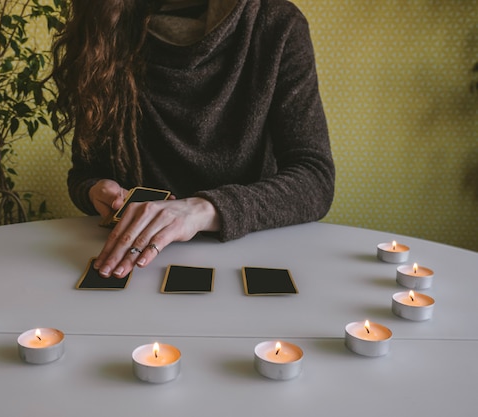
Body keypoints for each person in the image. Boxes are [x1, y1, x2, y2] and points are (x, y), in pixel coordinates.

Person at [51, 0, 335, 278]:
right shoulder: (105, 22)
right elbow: (84, 173)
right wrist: (95, 191)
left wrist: (203, 210)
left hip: (249, 257)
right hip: (137, 263)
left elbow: (315, 179)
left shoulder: (276, 23)